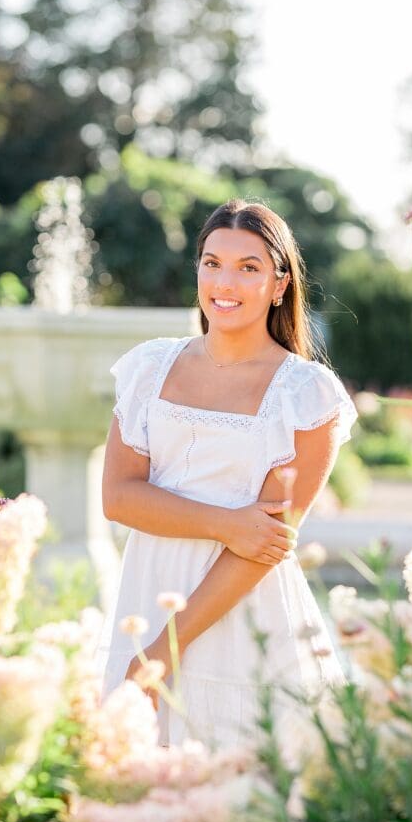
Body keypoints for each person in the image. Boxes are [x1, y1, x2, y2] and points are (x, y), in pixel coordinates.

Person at [95, 198, 358, 750]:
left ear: (280, 284)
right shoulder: (148, 367)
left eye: (248, 267)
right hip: (147, 599)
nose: (225, 282)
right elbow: (119, 499)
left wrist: (167, 648)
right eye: (212, 263)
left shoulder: (307, 395)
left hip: (244, 614)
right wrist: (225, 521)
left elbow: (264, 543)